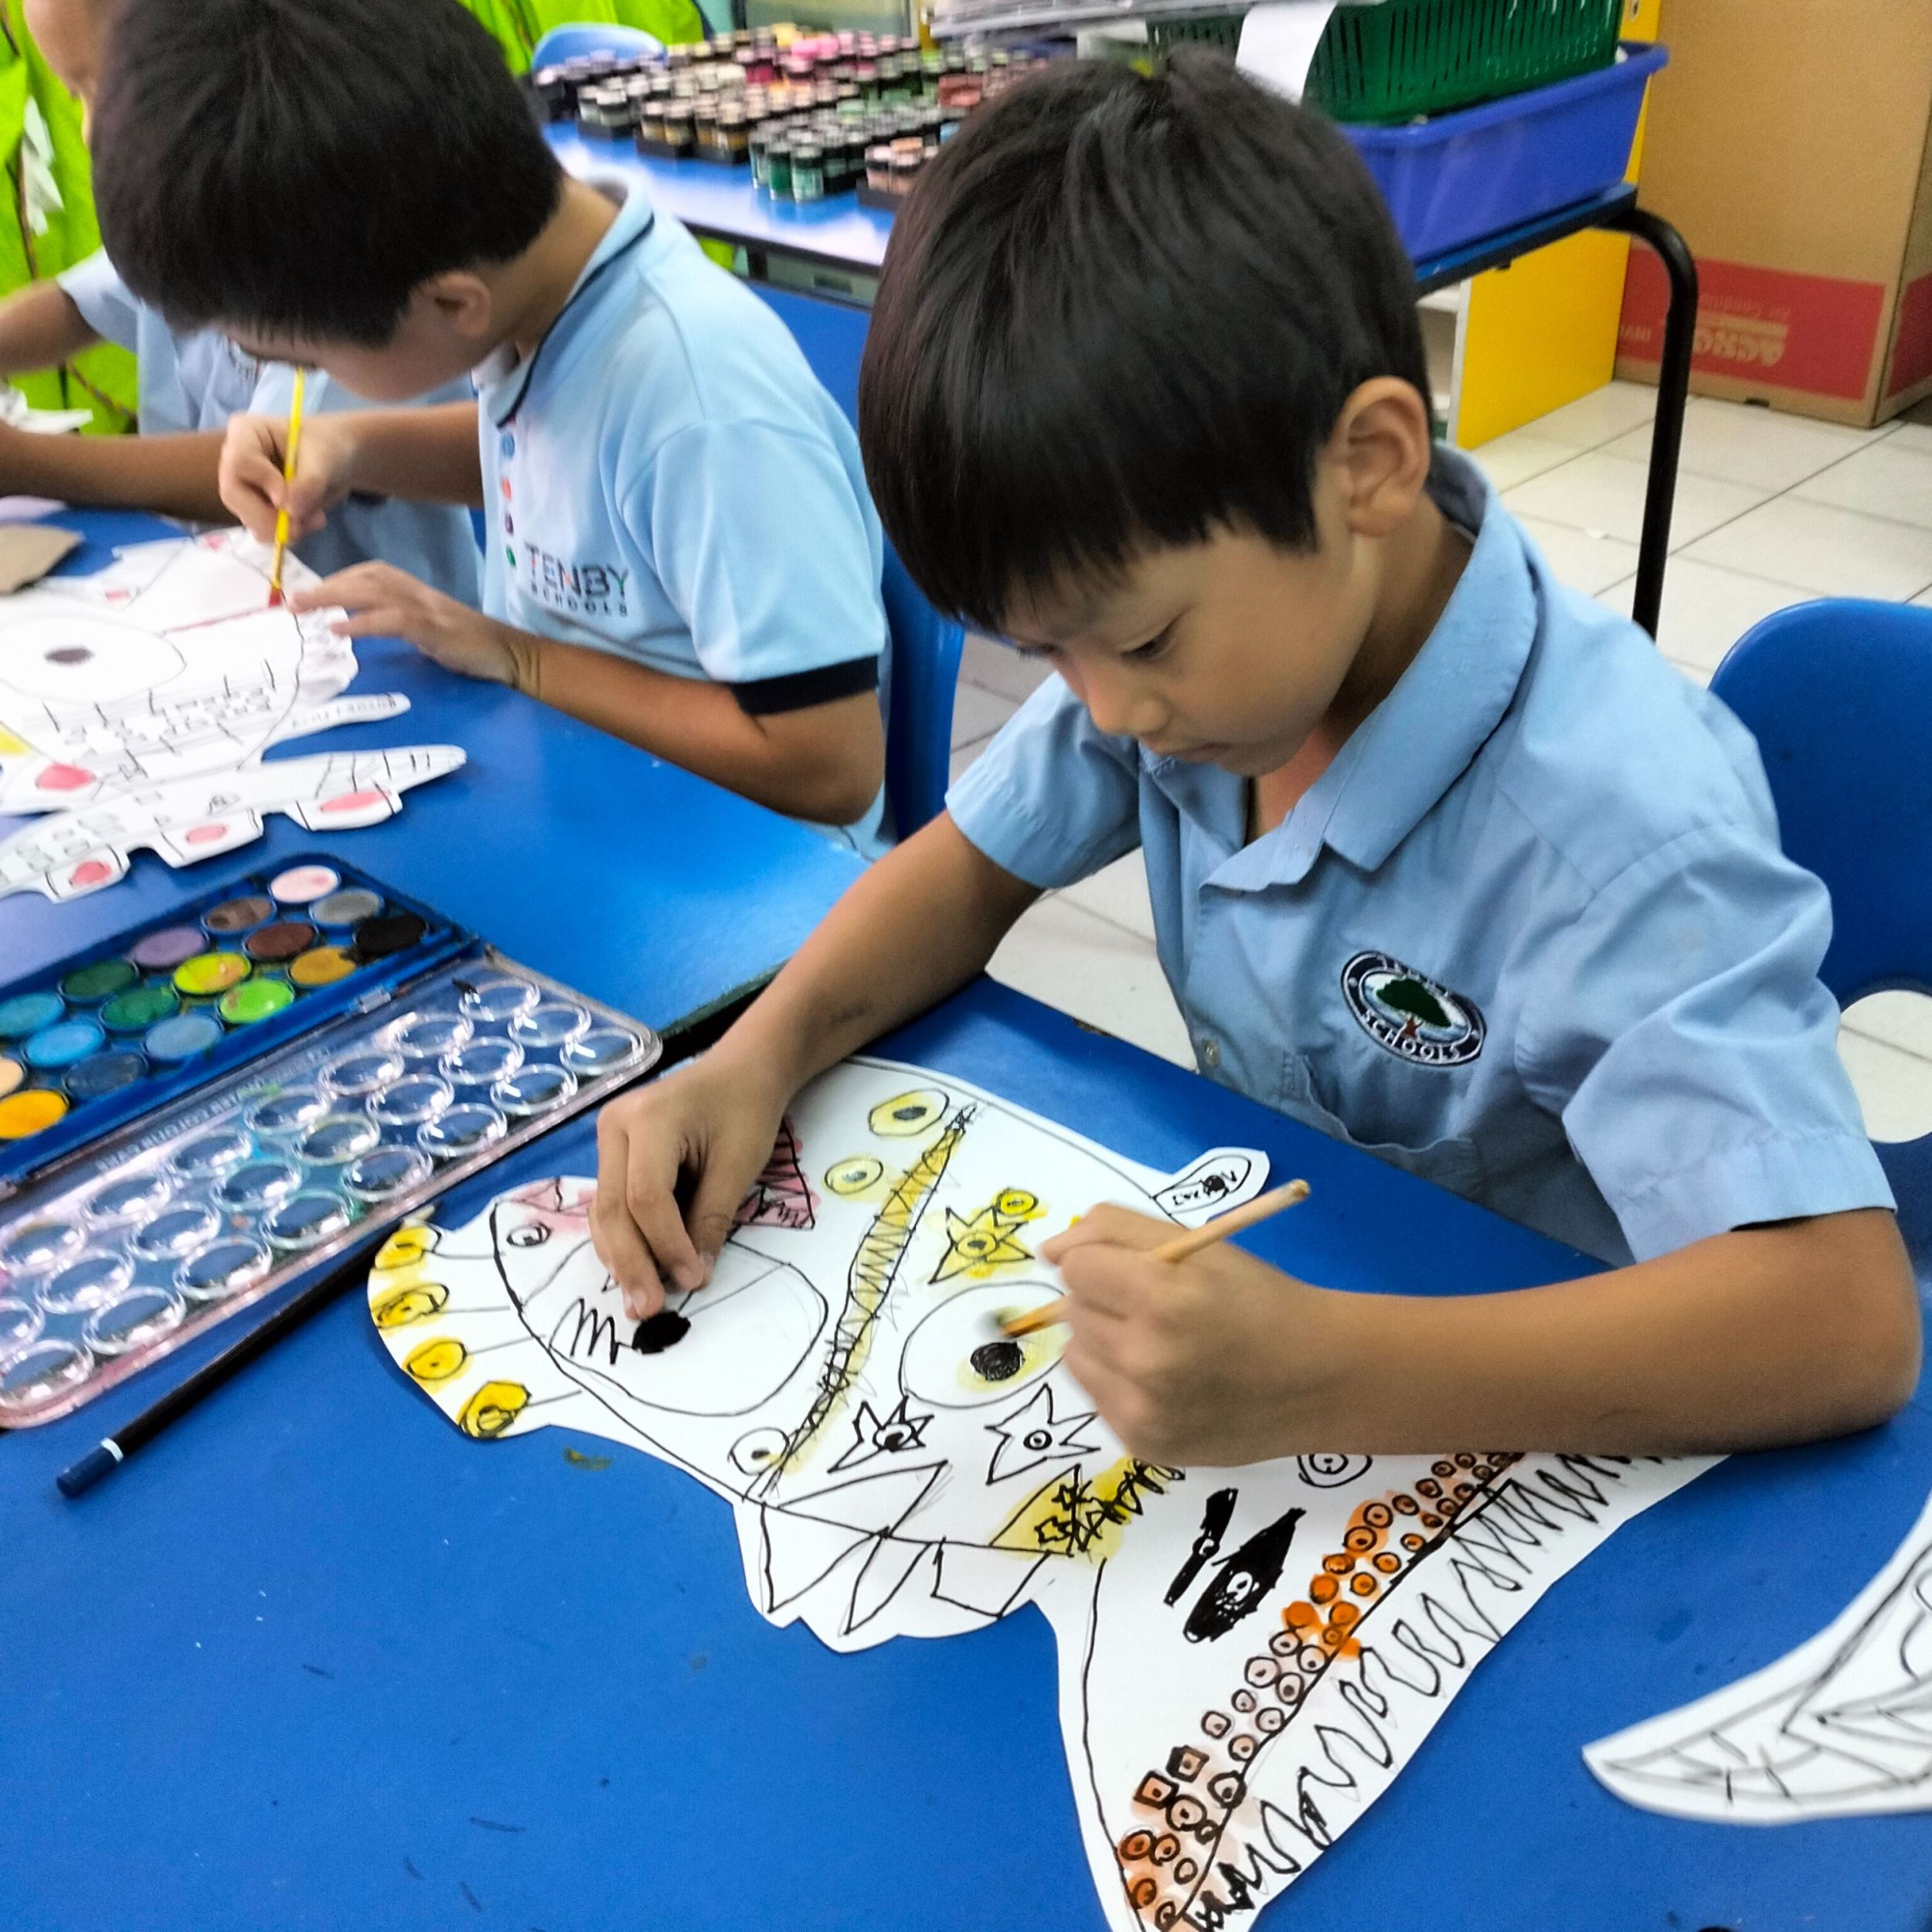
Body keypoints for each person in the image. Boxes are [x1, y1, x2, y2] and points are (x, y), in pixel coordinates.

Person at [587, 54, 1917, 1464]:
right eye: (1049, 656)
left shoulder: (1608, 824)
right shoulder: (1193, 670)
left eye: (1137, 642)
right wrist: (757, 1055)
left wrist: (1322, 1377)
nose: (1105, 713)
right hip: (1321, 1299)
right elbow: (964, 872)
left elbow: (1843, 1323)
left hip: (1563, 1422)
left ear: (1368, 464)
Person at [90, 0, 890, 852]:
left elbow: (829, 765)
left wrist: (515, 656)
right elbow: (575, 471)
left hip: (743, 878)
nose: (299, 385)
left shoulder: (702, 403)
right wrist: (352, 445)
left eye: (302, 359)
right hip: (582, 791)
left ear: (449, 302)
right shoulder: (539, 292)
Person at [0, 0, 478, 600]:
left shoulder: (312, 198)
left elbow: (279, 467)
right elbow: (86, 300)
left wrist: (25, 463)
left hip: (368, 615)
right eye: (74, 94)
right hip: (220, 587)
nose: (89, 132)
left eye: (103, 86)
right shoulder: (179, 194)